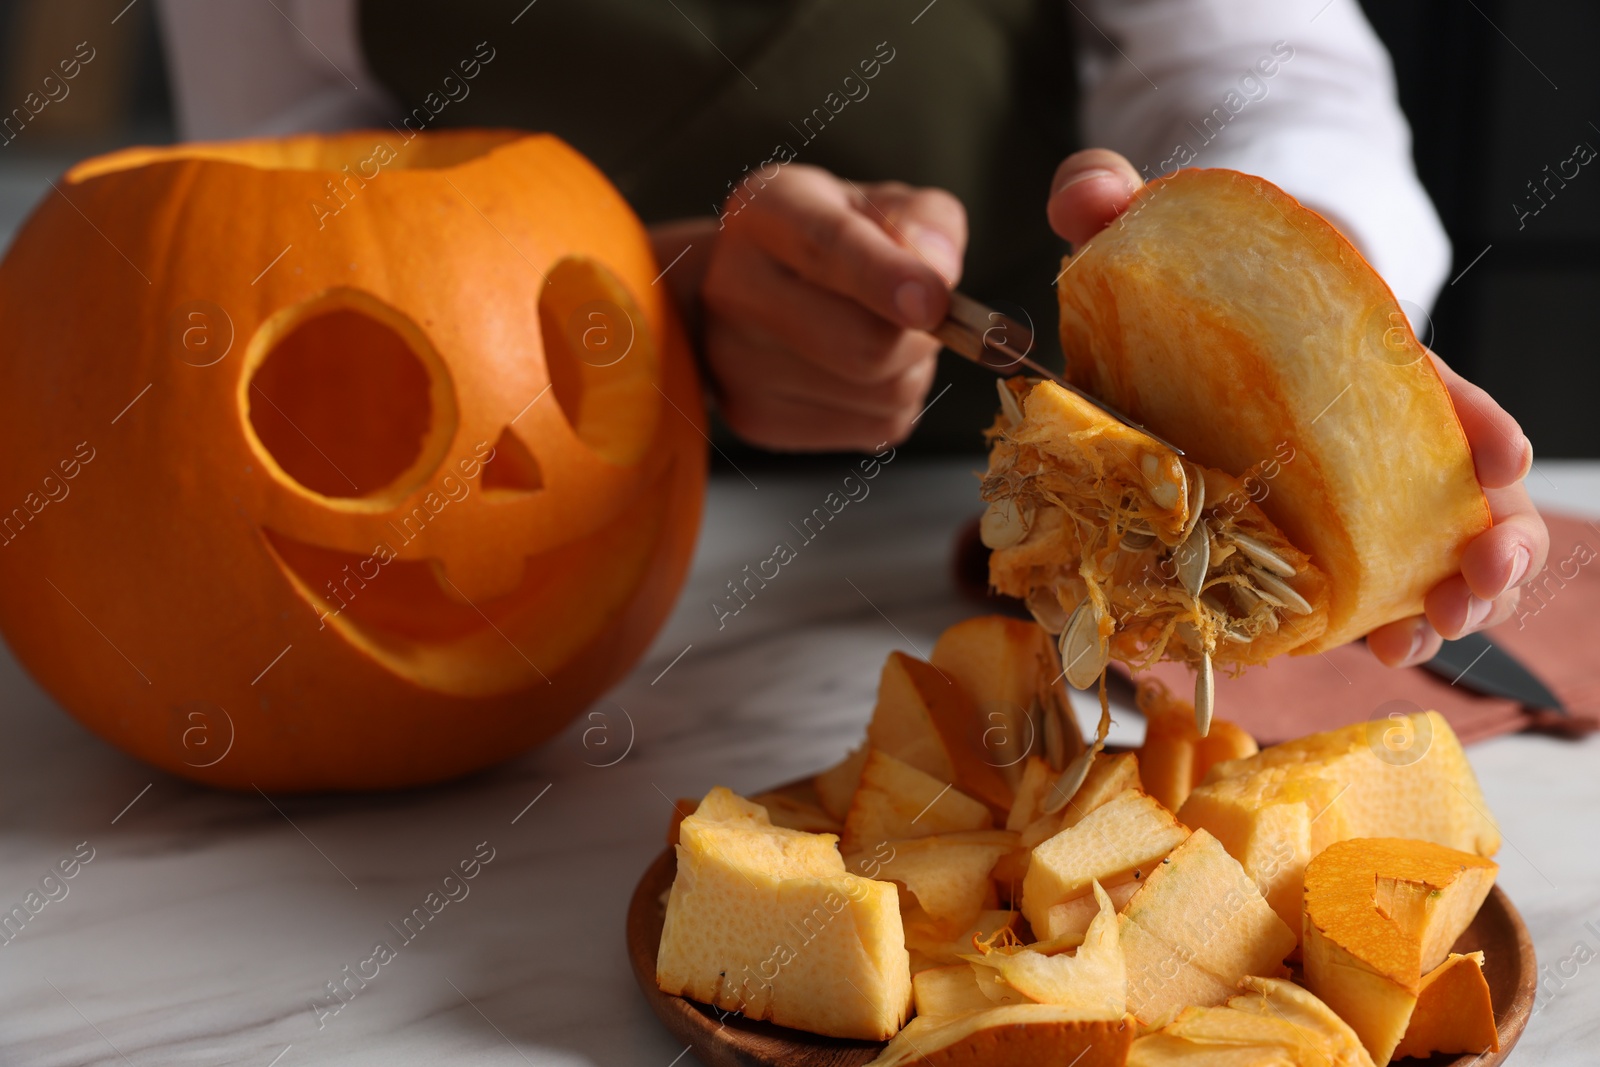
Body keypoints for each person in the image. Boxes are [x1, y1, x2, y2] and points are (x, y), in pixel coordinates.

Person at [154, 0, 1548, 668]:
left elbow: (1274, 63)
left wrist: (1309, 326)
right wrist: (651, 306)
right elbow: (281, 221)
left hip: (1028, 551)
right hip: (538, 530)